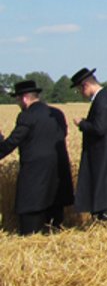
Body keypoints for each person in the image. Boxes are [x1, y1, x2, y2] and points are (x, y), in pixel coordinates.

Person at [0, 79, 75, 234]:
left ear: (25, 98)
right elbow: (62, 134)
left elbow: (13, 141)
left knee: (30, 228)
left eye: (17, 99)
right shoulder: (57, 113)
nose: (18, 103)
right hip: (58, 176)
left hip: (35, 177)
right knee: (54, 226)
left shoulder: (27, 116)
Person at [70, 67, 107, 223]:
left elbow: (99, 128)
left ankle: (103, 223)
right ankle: (101, 222)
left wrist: (82, 123)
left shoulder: (102, 100)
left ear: (85, 85)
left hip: (104, 155)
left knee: (103, 192)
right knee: (104, 190)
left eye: (79, 90)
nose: (80, 94)